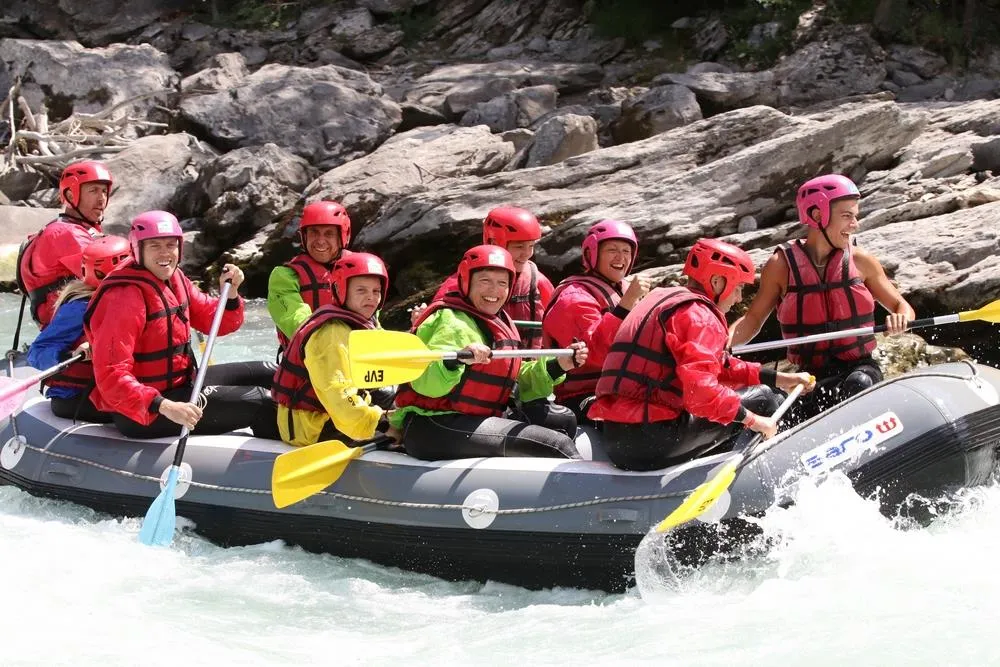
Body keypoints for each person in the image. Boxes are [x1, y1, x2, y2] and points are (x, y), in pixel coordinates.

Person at [589, 239, 814, 472]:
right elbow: (701, 394)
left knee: (762, 392)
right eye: (738, 288)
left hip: (615, 438)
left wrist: (779, 378)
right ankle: (789, 469)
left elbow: (718, 365)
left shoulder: (662, 298)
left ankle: (719, 464)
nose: (738, 298)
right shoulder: (699, 315)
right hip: (653, 441)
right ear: (717, 281)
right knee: (766, 399)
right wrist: (754, 420)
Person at [729, 174, 915, 415]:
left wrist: (901, 319)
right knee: (785, 411)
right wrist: (721, 342)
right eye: (847, 216)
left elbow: (903, 307)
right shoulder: (780, 266)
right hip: (809, 376)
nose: (855, 224)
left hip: (860, 367)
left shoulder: (861, 261)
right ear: (818, 215)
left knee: (858, 385)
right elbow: (752, 320)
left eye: (855, 216)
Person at [84, 210, 278, 440]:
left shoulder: (174, 278)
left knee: (271, 371)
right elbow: (111, 375)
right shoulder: (124, 297)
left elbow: (215, 321)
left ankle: (322, 426)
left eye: (170, 245)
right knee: (260, 401)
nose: (165, 253)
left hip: (181, 384)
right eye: (155, 246)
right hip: (144, 411)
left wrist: (232, 292)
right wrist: (165, 406)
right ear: (138, 250)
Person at [391, 245, 588, 461]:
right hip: (435, 424)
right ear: (466, 282)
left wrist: (557, 365)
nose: (494, 291)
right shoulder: (451, 322)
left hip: (473, 419)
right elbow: (425, 383)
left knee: (561, 421)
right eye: (485, 281)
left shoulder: (499, 320)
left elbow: (517, 379)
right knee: (557, 445)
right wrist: (457, 360)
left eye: (502, 283)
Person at [272, 252, 398, 447]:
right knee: (411, 433)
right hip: (312, 428)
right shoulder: (331, 333)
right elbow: (338, 392)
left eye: (376, 291)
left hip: (333, 415)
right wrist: (383, 425)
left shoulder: (361, 323)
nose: (371, 298)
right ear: (341, 290)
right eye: (361, 291)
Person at [541, 220, 651, 421]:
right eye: (612, 250)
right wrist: (625, 306)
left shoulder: (624, 290)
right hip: (580, 395)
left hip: (624, 388)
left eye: (626, 251)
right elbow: (594, 353)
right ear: (592, 253)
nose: (621, 257)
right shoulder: (573, 298)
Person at [27, 235, 130, 423]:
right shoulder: (80, 307)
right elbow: (37, 352)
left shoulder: (133, 299)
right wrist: (70, 355)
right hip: (76, 397)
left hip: (110, 391)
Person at [420, 207, 554, 349]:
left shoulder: (538, 281)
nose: (527, 254)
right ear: (494, 243)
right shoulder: (459, 283)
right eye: (519, 246)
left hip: (530, 367)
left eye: (531, 246)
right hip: (478, 360)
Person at [17, 160, 113, 328]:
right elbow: (108, 275)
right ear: (70, 195)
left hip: (69, 319)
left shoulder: (73, 228)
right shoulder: (65, 233)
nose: (101, 199)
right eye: (94, 191)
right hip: (70, 325)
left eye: (104, 191)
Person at [267, 200, 353, 354]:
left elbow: (373, 321)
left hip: (354, 358)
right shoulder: (284, 276)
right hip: (307, 364)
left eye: (329, 233)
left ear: (342, 236)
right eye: (314, 232)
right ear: (304, 236)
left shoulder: (358, 272)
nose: (320, 241)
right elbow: (296, 320)